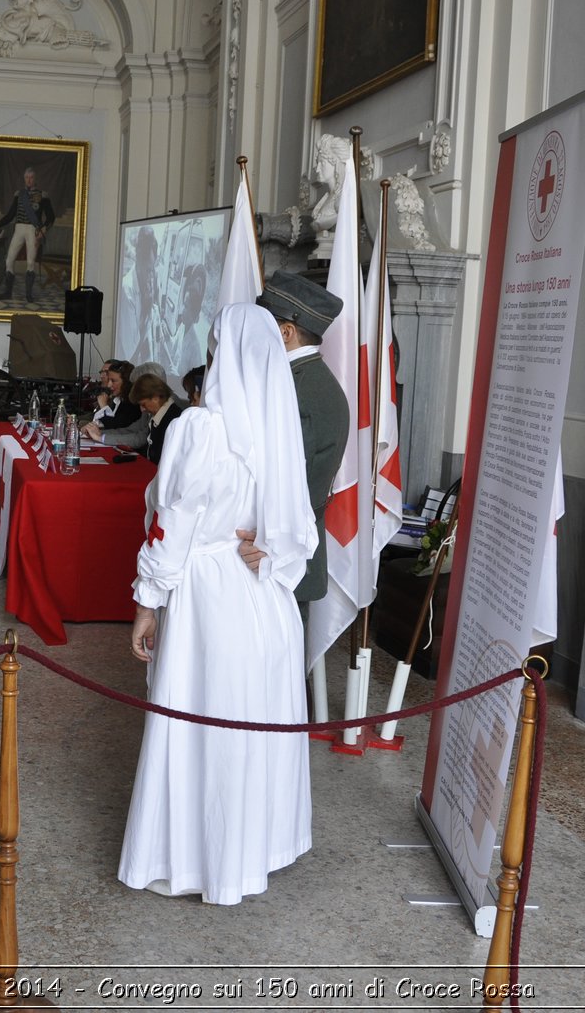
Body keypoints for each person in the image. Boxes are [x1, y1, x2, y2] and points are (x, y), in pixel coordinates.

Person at [118, 302, 317, 905]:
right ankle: (247, 852)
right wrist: (275, 555)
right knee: (246, 724)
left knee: (202, 722)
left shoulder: (199, 429)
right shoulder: (276, 434)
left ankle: (195, 860)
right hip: (263, 603)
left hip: (209, 600)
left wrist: (148, 600)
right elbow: (296, 529)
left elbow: (171, 525)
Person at [253, 270, 349, 614]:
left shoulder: (303, 390)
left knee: (282, 664)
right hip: (275, 551)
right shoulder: (299, 380)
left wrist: (265, 540)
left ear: (285, 331)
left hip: (280, 555)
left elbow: (293, 485)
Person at [0, 167, 54, 303]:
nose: (29, 180)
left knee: (30, 262)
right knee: (9, 260)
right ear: (24, 179)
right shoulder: (19, 194)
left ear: (35, 179)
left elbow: (51, 216)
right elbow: (10, 215)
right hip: (19, 229)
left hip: (32, 231)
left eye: (31, 177)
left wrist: (43, 230)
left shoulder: (42, 195)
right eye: (26, 178)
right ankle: (8, 292)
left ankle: (28, 295)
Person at [130, 372, 183, 465]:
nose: (142, 410)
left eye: (143, 404)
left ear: (155, 398)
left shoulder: (173, 420)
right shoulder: (161, 415)